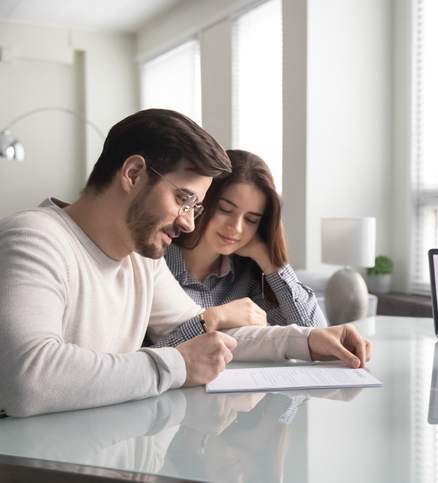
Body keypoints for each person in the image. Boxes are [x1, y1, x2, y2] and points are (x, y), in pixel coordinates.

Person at [0, 109, 370, 418]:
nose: (189, 223)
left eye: (195, 207)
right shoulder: (35, 238)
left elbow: (207, 339)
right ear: (133, 174)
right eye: (182, 199)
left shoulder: (140, 258)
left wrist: (305, 341)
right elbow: (29, 380)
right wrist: (177, 365)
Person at [151, 150, 326, 348]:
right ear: (202, 202)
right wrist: (215, 318)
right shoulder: (155, 260)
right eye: (225, 209)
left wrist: (270, 261)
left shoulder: (249, 276)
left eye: (252, 220)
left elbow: (316, 335)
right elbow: (148, 356)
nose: (236, 227)